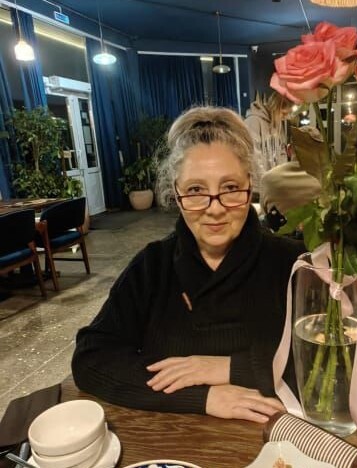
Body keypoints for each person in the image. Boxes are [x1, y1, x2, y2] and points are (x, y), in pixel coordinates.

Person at [72, 106, 306, 423]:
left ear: (250, 186)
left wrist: (229, 368)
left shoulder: (292, 263)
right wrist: (203, 397)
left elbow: (336, 360)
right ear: (176, 193)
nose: (215, 209)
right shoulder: (152, 267)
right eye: (196, 190)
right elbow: (91, 358)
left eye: (230, 187)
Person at [244, 91, 293, 195]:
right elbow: (254, 157)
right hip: (257, 188)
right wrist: (267, 181)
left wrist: (282, 177)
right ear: (275, 108)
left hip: (273, 186)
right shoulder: (253, 121)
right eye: (284, 113)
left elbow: (282, 152)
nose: (285, 117)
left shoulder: (276, 124)